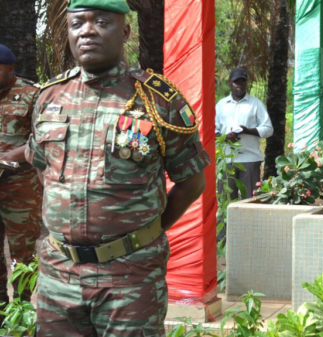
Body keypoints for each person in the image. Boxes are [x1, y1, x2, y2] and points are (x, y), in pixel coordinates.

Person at [25, 0, 210, 335]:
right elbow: (43, 169)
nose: (87, 32)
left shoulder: (159, 101)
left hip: (130, 277)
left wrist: (149, 231)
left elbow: (192, 181)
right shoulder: (49, 97)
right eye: (77, 23)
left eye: (101, 22)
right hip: (59, 276)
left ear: (125, 31)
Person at [0, 44, 41, 306]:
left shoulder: (31, 94)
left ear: (11, 69)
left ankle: (23, 310)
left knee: (23, 254)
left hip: (20, 186)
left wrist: (6, 157)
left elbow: (43, 140)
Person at [215, 67, 273, 199]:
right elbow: (213, 130)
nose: (240, 85)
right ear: (230, 83)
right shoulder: (221, 105)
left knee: (252, 201)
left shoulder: (255, 104)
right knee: (226, 201)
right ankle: (226, 221)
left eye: (243, 82)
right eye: (236, 82)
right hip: (227, 160)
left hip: (250, 159)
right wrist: (225, 137)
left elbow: (269, 129)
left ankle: (251, 221)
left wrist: (248, 131)